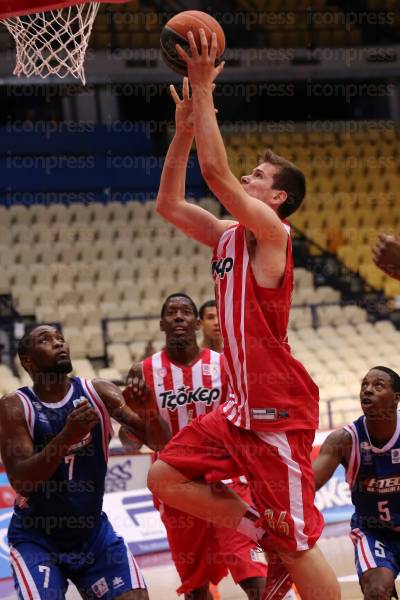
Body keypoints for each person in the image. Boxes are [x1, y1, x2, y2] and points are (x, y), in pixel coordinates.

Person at [148, 31, 339, 600]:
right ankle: (258, 527)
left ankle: (276, 538)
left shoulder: (273, 235)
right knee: (163, 477)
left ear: (276, 199)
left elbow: (217, 174)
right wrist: (182, 132)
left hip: (276, 407)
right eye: (251, 173)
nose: (249, 180)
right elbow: (170, 204)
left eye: (259, 178)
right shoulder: (228, 235)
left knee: (298, 547)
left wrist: (203, 88)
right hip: (236, 408)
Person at [0, 324, 170, 600]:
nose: (59, 344)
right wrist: (66, 437)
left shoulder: (99, 392)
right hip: (37, 538)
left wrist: (150, 410)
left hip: (92, 533)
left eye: (60, 338)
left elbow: (161, 443)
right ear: (27, 361)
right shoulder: (15, 406)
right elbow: (22, 481)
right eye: (46, 340)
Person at [120, 293, 267, 600]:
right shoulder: (142, 372)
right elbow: (130, 441)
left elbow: (244, 424)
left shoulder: (223, 365)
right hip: (177, 492)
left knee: (253, 575)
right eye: (170, 312)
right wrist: (144, 413)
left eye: (185, 311)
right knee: (196, 587)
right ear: (161, 324)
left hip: (225, 483)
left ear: (197, 323)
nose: (178, 317)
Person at [313, 366, 400, 600]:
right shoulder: (344, 440)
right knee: (376, 589)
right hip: (373, 530)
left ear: (396, 399)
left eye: (377, 386)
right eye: (364, 386)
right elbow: (307, 484)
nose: (368, 391)